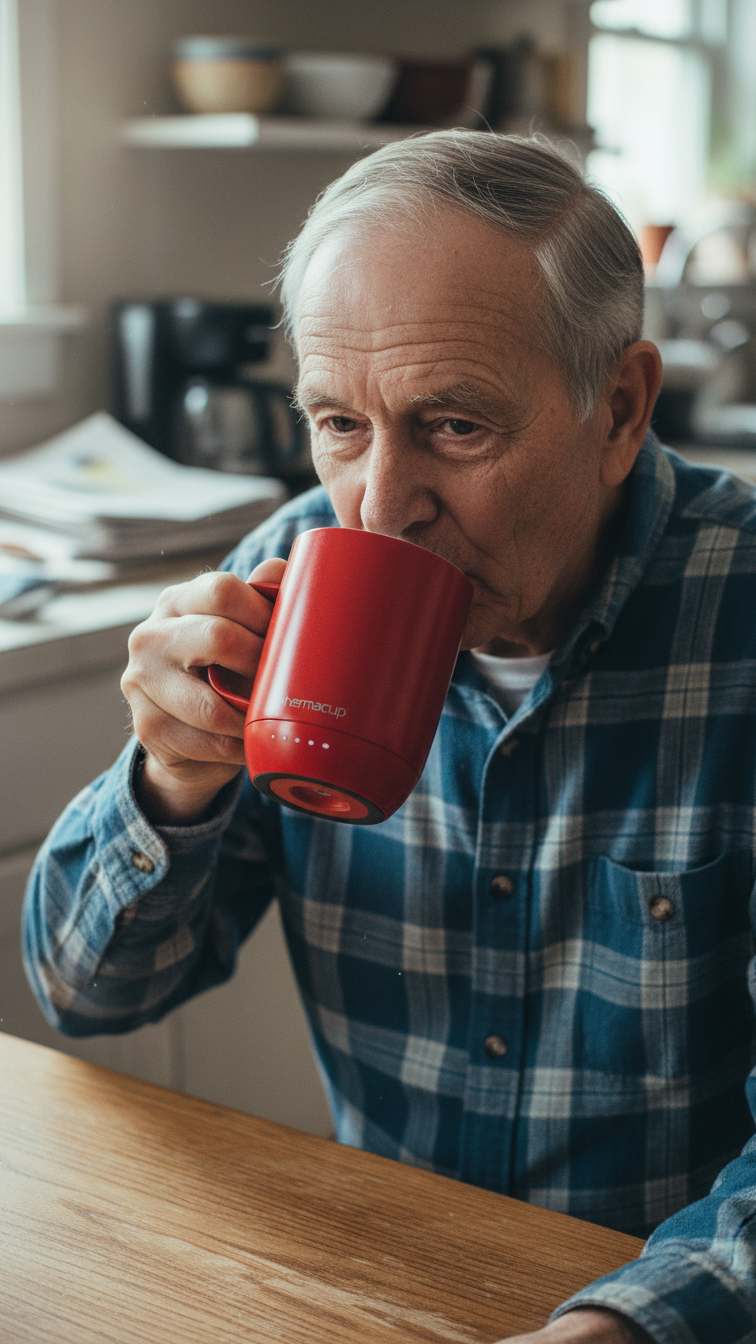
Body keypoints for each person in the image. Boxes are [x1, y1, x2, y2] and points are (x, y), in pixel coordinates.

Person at [22, 132, 756, 1344]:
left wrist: (623, 1326)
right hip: (376, 1284)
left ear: (619, 408)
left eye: (454, 427)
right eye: (337, 423)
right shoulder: (283, 580)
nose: (377, 506)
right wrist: (171, 782)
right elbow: (86, 992)